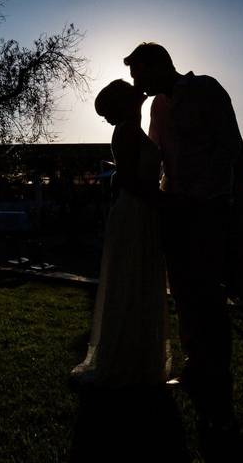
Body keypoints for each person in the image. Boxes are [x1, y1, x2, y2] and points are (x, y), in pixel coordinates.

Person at [124, 42, 243, 440]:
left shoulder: (208, 90)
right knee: (185, 295)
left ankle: (219, 388)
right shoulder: (157, 107)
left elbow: (231, 148)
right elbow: (154, 154)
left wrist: (216, 200)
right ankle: (195, 367)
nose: (135, 81)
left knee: (209, 296)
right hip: (174, 209)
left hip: (208, 208)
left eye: (138, 74)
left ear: (158, 65)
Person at [70, 79, 170, 388]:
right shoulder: (126, 131)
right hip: (136, 211)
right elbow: (129, 179)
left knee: (141, 278)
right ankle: (126, 359)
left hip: (142, 210)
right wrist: (166, 202)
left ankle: (140, 357)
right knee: (131, 277)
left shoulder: (133, 126)